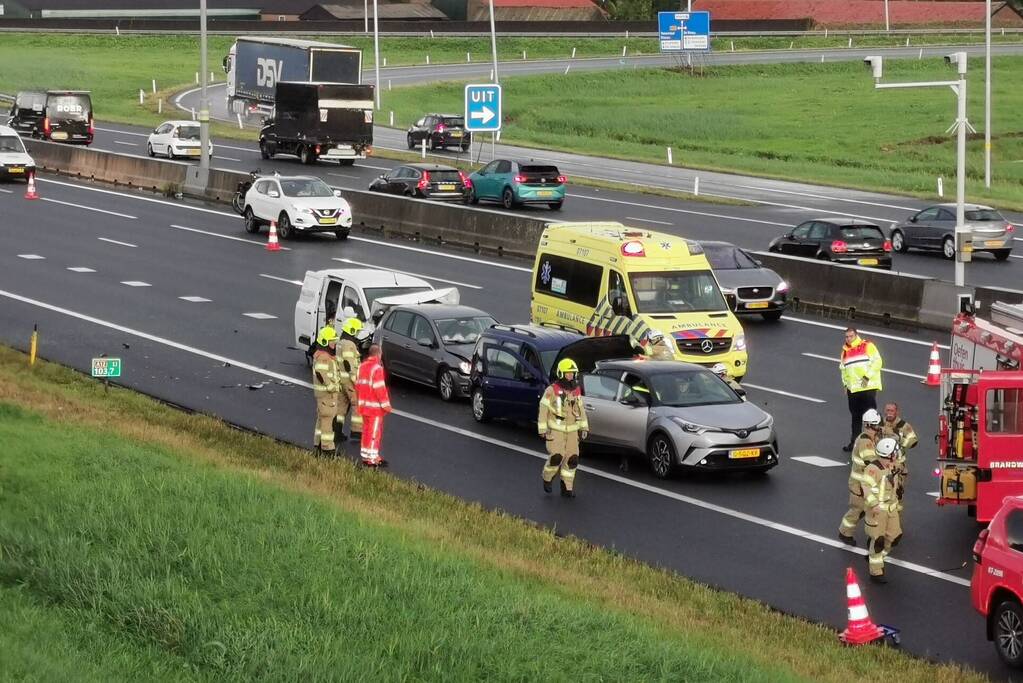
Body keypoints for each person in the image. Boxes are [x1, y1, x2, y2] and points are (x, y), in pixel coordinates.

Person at [539, 358, 588, 498]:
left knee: (572, 459)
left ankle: (567, 487)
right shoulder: (551, 390)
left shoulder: (576, 391)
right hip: (556, 431)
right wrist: (542, 429)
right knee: (556, 457)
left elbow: (581, 410)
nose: (570, 376)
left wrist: (584, 427)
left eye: (572, 373)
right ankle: (547, 478)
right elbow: (543, 409)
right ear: (561, 374)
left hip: (572, 431)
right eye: (567, 373)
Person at [838, 408, 883, 546]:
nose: (879, 427)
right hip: (859, 483)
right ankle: (845, 532)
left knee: (862, 509)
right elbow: (871, 461)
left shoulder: (871, 437)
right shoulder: (865, 442)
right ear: (871, 425)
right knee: (857, 510)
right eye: (877, 425)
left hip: (863, 482)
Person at [862, 437, 904, 584]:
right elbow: (866, 488)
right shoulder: (873, 469)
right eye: (895, 452)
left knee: (895, 537)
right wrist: (873, 505)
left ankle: (875, 555)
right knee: (878, 541)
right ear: (889, 454)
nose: (897, 454)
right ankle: (876, 571)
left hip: (891, 509)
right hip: (878, 511)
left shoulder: (892, 465)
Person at [840, 327, 883, 452]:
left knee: (871, 416)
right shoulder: (845, 351)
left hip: (867, 387)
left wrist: (866, 377)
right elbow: (844, 370)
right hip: (853, 390)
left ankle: (876, 442)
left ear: (856, 335)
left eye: (851, 336)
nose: (848, 339)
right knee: (855, 417)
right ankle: (855, 443)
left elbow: (878, 362)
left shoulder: (867, 346)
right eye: (846, 336)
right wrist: (845, 385)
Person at [355, 344, 392, 467]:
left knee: (366, 432)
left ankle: (366, 456)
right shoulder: (377, 369)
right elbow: (380, 389)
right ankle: (372, 459)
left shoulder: (362, 367)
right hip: (375, 409)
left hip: (364, 406)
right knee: (374, 433)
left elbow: (358, 385)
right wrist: (386, 406)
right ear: (378, 354)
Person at [311, 325, 342, 457]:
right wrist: (330, 386)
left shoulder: (324, 355)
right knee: (327, 423)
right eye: (332, 341)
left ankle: (317, 445)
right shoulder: (324, 357)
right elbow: (320, 372)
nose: (334, 343)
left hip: (323, 396)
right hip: (327, 396)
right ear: (324, 341)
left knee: (321, 421)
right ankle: (328, 449)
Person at [883, 401, 918, 515]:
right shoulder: (880, 424)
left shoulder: (903, 426)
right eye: (887, 410)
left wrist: (900, 440)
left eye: (892, 410)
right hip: (882, 464)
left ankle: (895, 518)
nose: (889, 413)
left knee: (897, 492)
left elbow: (913, 441)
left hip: (898, 465)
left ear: (897, 412)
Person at [335, 317, 364, 449]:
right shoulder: (349, 345)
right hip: (349, 380)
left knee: (341, 405)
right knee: (356, 404)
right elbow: (349, 364)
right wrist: (356, 380)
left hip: (341, 379)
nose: (357, 334)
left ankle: (337, 430)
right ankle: (357, 432)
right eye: (356, 331)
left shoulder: (340, 342)